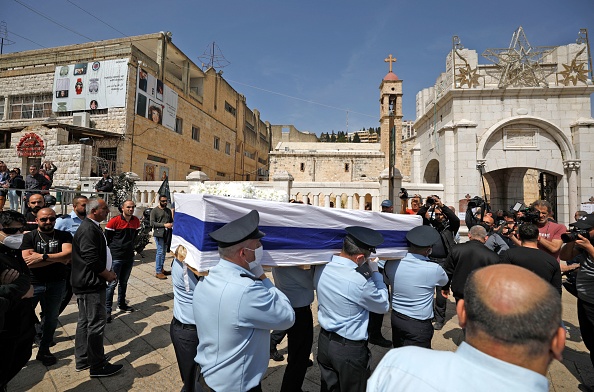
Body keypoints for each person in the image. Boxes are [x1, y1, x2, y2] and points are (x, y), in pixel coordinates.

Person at [367, 264, 565, 391]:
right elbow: (443, 280)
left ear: (462, 313)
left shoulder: (398, 363)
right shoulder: (400, 362)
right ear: (559, 341)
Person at [193, 210, 295, 391]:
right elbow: (287, 317)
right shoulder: (247, 289)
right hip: (237, 386)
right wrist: (263, 277)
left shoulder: (207, 280)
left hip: (209, 376)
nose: (260, 247)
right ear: (243, 253)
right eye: (257, 244)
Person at [314, 226, 389, 392]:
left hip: (325, 343)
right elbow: (383, 305)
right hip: (348, 350)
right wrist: (375, 274)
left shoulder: (321, 268)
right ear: (360, 257)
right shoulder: (361, 281)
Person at [71, 198, 123, 377]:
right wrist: (107, 274)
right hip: (91, 284)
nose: (108, 211)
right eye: (105, 208)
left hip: (90, 282)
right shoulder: (87, 229)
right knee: (95, 324)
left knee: (86, 322)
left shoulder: (92, 225)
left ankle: (84, 359)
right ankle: (97, 365)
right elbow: (90, 257)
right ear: (94, 211)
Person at [21, 208, 72, 366]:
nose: (48, 222)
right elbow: (28, 261)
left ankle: (44, 350)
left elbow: (67, 256)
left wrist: (41, 257)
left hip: (57, 283)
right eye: (44, 219)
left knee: (51, 318)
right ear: (37, 220)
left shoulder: (63, 235)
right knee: (24, 317)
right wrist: (57, 258)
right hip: (33, 284)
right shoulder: (29, 236)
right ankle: (21, 351)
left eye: (51, 219)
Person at [384, 226, 448, 348]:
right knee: (418, 360)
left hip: (397, 317)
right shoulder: (434, 269)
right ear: (428, 249)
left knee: (399, 350)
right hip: (418, 324)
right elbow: (443, 281)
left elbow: (387, 280)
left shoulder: (391, 263)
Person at [417, 195, 460, 330]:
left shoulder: (450, 228)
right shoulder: (429, 226)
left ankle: (440, 318)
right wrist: (427, 205)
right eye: (436, 214)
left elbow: (455, 219)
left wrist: (441, 205)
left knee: (441, 293)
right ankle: (428, 314)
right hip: (428, 261)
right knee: (427, 290)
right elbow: (418, 217)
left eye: (440, 214)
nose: (438, 216)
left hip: (444, 263)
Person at [269, 265, 315, 392]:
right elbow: (313, 283)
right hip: (299, 312)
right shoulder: (289, 267)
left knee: (297, 350)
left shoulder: (280, 264)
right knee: (300, 355)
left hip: (292, 309)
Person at [560, 213, 594, 369]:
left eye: (587, 229)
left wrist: (589, 248)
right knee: (590, 340)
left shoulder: (588, 245)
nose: (582, 232)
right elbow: (565, 255)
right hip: (585, 297)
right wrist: (571, 241)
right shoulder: (584, 242)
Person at [499, 223, 561, 294]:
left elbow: (501, 280)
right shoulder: (551, 260)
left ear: (518, 237)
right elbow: (557, 291)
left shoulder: (508, 254)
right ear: (538, 238)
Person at [442, 225, 499, 302]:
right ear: (486, 238)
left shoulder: (456, 250)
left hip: (460, 291)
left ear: (469, 235)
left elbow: (448, 271)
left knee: (462, 312)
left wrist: (445, 287)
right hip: (481, 294)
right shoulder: (493, 256)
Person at [104, 200, 140, 323]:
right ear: (122, 208)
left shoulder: (136, 221)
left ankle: (122, 304)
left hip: (129, 257)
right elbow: (107, 238)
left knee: (123, 282)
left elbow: (135, 237)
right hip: (116, 257)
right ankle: (107, 310)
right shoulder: (114, 221)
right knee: (112, 284)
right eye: (128, 207)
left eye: (132, 207)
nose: (131, 209)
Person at [170, 246, 200, 392]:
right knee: (191, 381)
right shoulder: (186, 268)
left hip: (185, 328)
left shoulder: (178, 261)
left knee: (192, 377)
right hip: (189, 330)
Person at [366, 200, 393, 348]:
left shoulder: (391, 221)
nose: (385, 210)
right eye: (383, 208)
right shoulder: (377, 221)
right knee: (379, 297)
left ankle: (373, 331)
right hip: (376, 265)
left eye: (387, 208)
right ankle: (374, 334)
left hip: (382, 264)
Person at [55, 195, 88, 315]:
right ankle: (48, 320)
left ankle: (85, 319)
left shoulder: (89, 220)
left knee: (84, 294)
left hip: (84, 264)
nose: (86, 208)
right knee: (65, 294)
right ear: (74, 206)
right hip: (69, 264)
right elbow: (54, 239)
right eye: (83, 205)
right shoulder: (63, 221)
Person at [150, 195, 173, 279]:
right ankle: (158, 271)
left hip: (167, 234)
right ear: (159, 201)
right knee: (160, 252)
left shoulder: (168, 211)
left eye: (166, 201)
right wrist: (164, 225)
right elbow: (152, 223)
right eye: (163, 201)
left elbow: (170, 220)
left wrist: (171, 224)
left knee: (163, 252)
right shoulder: (154, 211)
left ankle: (161, 268)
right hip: (159, 233)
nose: (165, 202)